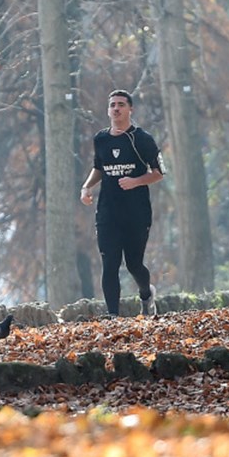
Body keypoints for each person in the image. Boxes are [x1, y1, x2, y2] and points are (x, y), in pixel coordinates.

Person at [80, 89, 165, 317]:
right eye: (112, 105)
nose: (116, 109)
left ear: (130, 109)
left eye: (121, 104)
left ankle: (146, 295)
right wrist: (87, 187)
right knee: (110, 264)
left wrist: (136, 181)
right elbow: (99, 168)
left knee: (134, 264)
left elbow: (159, 173)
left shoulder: (142, 139)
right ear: (108, 110)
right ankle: (113, 316)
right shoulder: (101, 139)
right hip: (108, 213)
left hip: (136, 213)